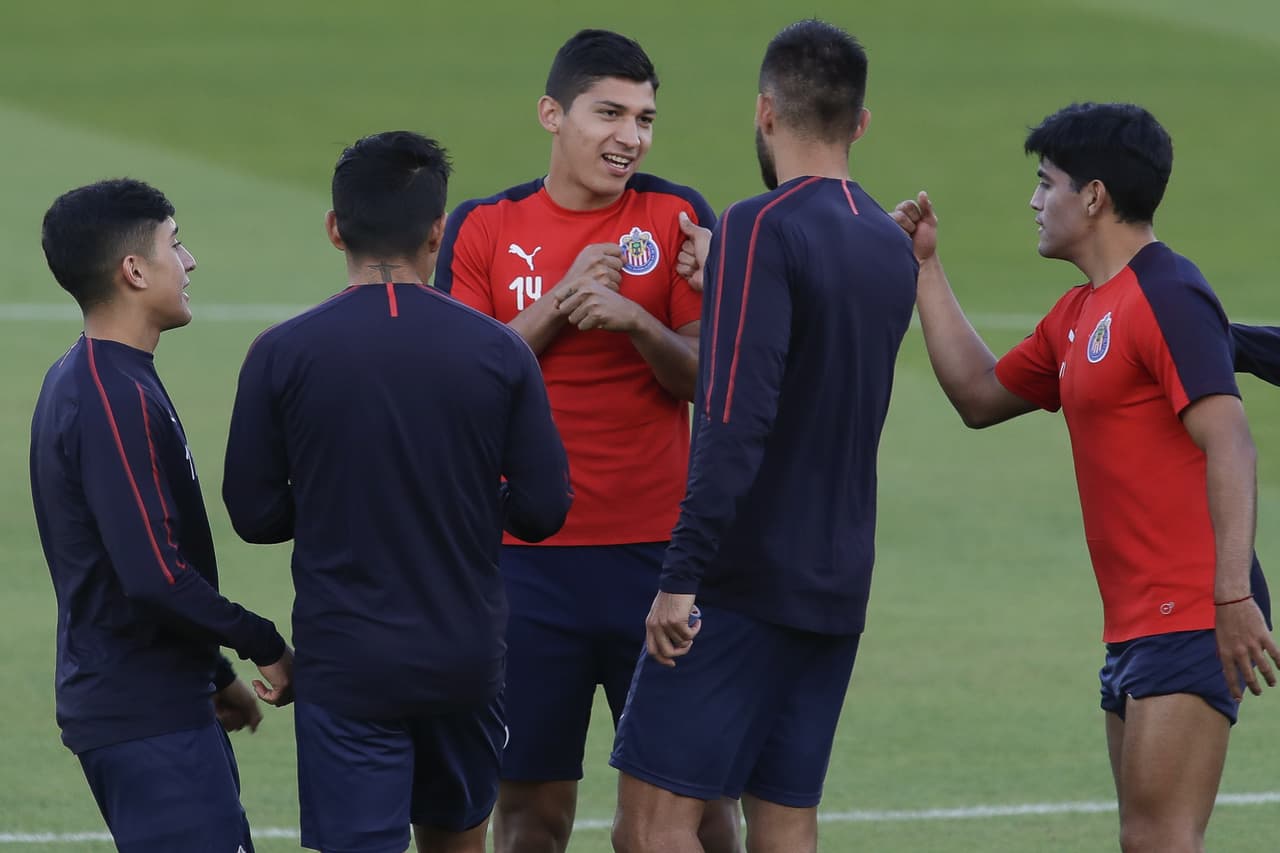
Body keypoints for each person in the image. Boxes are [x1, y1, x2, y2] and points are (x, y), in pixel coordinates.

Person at [890, 102, 1278, 852]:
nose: (1035, 202)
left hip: (1192, 605)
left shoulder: (1168, 292)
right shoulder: (1077, 315)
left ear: (1093, 196)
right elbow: (977, 393)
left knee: (1157, 838)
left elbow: (1232, 442)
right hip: (1134, 619)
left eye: (1047, 183)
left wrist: (1230, 594)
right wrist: (926, 269)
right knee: (1147, 837)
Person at [608, 20, 919, 853]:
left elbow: (734, 420)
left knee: (649, 827)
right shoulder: (891, 246)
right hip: (837, 579)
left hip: (743, 582)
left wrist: (681, 576)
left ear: (764, 112)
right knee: (783, 819)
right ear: (859, 123)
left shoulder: (759, 224)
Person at [222, 130, 572, 853]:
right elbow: (543, 508)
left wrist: (329, 501)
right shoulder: (499, 349)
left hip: (347, 663)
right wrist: (468, 502)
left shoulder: (281, 353)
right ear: (439, 228)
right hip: (463, 658)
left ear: (334, 227)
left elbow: (253, 514)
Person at [434, 29, 740, 853]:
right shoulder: (484, 228)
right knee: (535, 814)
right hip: (525, 562)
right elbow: (459, 387)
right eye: (609, 112)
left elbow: (709, 382)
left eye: (644, 118)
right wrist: (561, 305)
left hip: (662, 562)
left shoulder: (675, 216)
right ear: (551, 114)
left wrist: (638, 320)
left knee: (700, 811)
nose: (630, 136)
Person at [29, 178, 294, 853]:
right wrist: (263, 641)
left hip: (160, 700)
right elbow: (152, 574)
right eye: (175, 243)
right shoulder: (109, 393)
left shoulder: (105, 375)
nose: (191, 260)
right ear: (134, 270)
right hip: (144, 714)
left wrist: (214, 676)